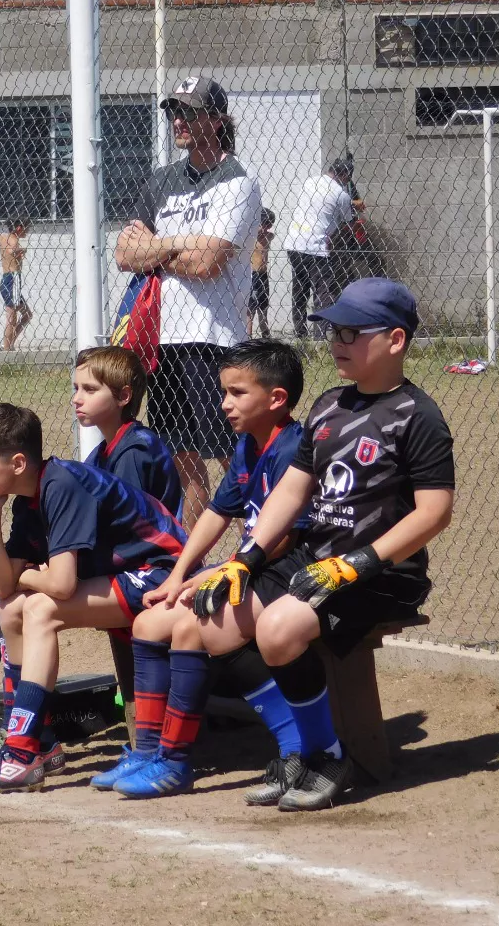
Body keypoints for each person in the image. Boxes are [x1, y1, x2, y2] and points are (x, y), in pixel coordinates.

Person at [188, 278, 454, 810]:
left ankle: (330, 753)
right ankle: (298, 749)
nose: (338, 341)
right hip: (317, 558)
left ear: (395, 340)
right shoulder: (330, 405)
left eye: (353, 332)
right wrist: (246, 559)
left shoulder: (417, 416)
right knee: (215, 623)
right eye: (334, 330)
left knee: (278, 629)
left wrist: (358, 563)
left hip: (383, 572)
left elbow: (435, 513)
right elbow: (294, 487)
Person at [0, 349, 181, 763]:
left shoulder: (125, 454)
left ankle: (27, 743)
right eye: (76, 387)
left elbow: (67, 577)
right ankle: (29, 735)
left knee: (35, 605)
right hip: (113, 570)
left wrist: (34, 574)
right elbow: (6, 583)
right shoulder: (45, 488)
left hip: (155, 572)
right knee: (4, 601)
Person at [92, 339, 312, 798]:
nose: (224, 403)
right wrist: (178, 576)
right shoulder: (248, 446)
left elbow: (286, 535)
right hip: (248, 570)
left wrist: (225, 570)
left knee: (197, 626)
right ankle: (149, 750)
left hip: (284, 572)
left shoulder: (294, 445)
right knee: (151, 620)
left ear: (276, 399)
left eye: (236, 393)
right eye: (223, 392)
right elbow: (215, 513)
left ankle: (176, 761)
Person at [0, 404, 187, 794]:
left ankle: (20, 753)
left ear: (18, 462)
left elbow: (60, 586)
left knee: (39, 607)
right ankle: (37, 741)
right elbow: (3, 587)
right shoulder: (27, 499)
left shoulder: (61, 484)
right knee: (11, 608)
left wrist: (25, 575)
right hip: (122, 577)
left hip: (163, 572)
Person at [114, 76, 262, 532]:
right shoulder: (161, 182)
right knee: (182, 460)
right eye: (174, 111)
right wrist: (180, 246)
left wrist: (157, 247)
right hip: (164, 341)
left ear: (216, 121)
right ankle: (185, 560)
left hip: (213, 339)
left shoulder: (237, 181)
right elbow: (124, 254)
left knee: (230, 458)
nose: (178, 119)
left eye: (190, 111)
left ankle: (258, 546)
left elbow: (209, 263)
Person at [76, 345, 183, 520]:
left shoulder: (135, 451)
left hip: (149, 546)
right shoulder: (102, 452)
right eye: (76, 388)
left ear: (124, 396)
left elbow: (129, 527)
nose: (77, 399)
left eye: (90, 389)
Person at [282, 157, 364, 339]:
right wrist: (358, 221)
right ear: (344, 174)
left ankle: (300, 333)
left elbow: (321, 205)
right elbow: (349, 224)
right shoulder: (341, 194)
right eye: (348, 178)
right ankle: (319, 339)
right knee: (323, 292)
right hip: (316, 248)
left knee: (300, 289)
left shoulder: (310, 181)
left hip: (295, 244)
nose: (348, 182)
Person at [0, 217, 31, 351]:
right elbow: (11, 251)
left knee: (27, 315)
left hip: (6, 279)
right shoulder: (15, 242)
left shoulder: (3, 237)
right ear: (19, 228)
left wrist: (2, 242)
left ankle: (8, 344)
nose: (28, 231)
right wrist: (19, 251)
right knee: (12, 316)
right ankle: (6, 350)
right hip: (13, 279)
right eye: (27, 228)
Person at [247, 207, 275, 339]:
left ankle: (265, 334)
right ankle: (248, 337)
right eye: (262, 225)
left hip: (263, 276)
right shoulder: (250, 237)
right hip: (252, 275)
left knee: (263, 306)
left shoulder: (269, 236)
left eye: (268, 226)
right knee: (250, 308)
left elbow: (270, 233)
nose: (265, 230)